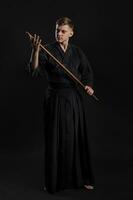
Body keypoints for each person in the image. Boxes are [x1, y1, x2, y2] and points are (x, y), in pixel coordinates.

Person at [28, 17, 95, 194]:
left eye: (63, 31)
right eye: (57, 30)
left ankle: (80, 178)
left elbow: (87, 72)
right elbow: (34, 70)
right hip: (55, 99)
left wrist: (88, 86)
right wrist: (35, 51)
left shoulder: (77, 52)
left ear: (71, 33)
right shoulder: (47, 49)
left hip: (73, 99)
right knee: (54, 140)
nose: (59, 33)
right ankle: (53, 182)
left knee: (75, 138)